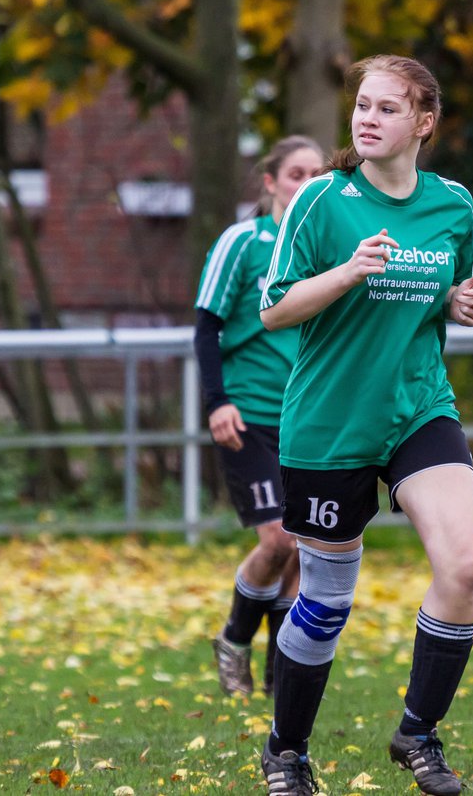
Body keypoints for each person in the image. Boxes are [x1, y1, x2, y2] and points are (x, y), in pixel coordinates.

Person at [257, 55, 473, 796]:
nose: (367, 119)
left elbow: (442, 288)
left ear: (424, 122)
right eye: (362, 106)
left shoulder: (453, 205)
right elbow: (275, 308)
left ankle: (418, 734)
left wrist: (453, 304)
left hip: (418, 406)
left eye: (388, 108)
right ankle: (286, 752)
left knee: (463, 568)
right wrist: (347, 272)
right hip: (330, 421)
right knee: (325, 603)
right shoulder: (323, 202)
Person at [194, 135, 325, 697]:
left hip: (310, 415)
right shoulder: (242, 241)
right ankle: (233, 640)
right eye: (297, 174)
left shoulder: (326, 246)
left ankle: (278, 678)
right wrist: (216, 401)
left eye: (318, 174)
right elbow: (206, 327)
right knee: (280, 542)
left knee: (305, 549)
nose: (307, 184)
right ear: (270, 182)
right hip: (249, 413)